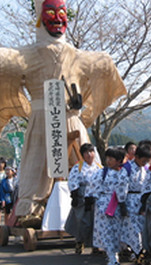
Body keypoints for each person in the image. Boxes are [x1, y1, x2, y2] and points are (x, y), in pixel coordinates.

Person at [0, 0, 126, 224]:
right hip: (41, 119)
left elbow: (103, 68)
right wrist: (25, 107)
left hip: (72, 119)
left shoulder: (79, 56)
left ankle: (85, 209)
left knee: (82, 165)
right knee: (38, 164)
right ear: (40, 16)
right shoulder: (23, 55)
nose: (58, 18)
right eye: (50, 13)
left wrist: (84, 112)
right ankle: (32, 209)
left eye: (62, 13)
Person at [88, 148, 125, 265]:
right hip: (105, 206)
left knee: (117, 232)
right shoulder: (102, 172)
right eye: (107, 158)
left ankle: (116, 254)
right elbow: (92, 186)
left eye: (111, 159)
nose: (108, 161)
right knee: (107, 232)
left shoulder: (124, 173)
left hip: (118, 205)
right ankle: (112, 257)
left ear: (119, 160)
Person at [64, 143, 102, 254]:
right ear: (82, 155)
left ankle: (95, 244)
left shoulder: (99, 167)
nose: (89, 155)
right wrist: (75, 195)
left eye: (91, 152)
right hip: (82, 198)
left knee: (96, 222)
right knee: (83, 221)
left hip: (96, 198)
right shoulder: (78, 167)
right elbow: (72, 181)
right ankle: (80, 241)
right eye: (86, 152)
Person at [117, 145, 151, 262]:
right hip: (130, 200)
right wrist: (122, 203)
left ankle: (140, 250)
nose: (145, 162)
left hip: (142, 200)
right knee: (133, 228)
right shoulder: (127, 168)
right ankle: (136, 252)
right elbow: (121, 186)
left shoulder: (145, 168)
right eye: (143, 160)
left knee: (141, 228)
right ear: (136, 157)